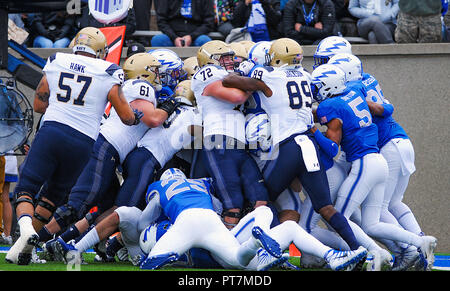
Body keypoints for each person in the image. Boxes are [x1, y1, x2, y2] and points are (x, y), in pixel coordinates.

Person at [5, 27, 140, 265]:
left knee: (27, 188)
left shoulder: (58, 60)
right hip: (83, 142)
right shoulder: (108, 70)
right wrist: (136, 116)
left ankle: (26, 230)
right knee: (53, 195)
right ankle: (26, 250)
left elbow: (38, 104)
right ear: (99, 51)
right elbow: (127, 117)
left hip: (53, 131)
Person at [222, 38, 363, 253]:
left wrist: (243, 70)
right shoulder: (306, 76)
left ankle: (259, 250)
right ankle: (357, 249)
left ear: (277, 57)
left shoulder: (269, 75)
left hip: (287, 148)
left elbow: (230, 81)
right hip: (310, 146)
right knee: (325, 207)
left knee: (261, 199)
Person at [36, 52, 176, 245]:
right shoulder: (141, 86)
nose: (158, 75)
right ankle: (34, 241)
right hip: (105, 148)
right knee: (77, 205)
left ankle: (66, 242)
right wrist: (170, 106)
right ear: (144, 74)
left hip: (106, 150)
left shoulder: (128, 87)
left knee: (107, 206)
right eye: (154, 71)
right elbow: (153, 119)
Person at [311, 63, 438, 271]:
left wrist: (313, 131)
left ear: (328, 86)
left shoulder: (329, 106)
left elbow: (333, 148)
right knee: (372, 224)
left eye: (317, 87)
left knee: (339, 217)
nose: (315, 91)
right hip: (379, 162)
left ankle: (373, 253)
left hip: (363, 164)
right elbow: (385, 108)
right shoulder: (355, 90)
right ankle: (419, 242)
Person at [55, 168, 284, 270]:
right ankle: (80, 248)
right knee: (126, 214)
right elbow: (217, 208)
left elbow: (145, 221)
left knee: (127, 214)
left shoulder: (159, 188)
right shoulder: (199, 185)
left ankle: (80, 248)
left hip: (165, 235)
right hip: (184, 229)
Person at [192, 40, 271, 229]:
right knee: (233, 205)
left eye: (230, 57)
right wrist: (256, 84)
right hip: (218, 140)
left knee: (260, 200)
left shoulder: (228, 76)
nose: (230, 61)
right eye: (224, 58)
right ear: (211, 60)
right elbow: (237, 97)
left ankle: (255, 248)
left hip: (240, 145)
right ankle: (225, 254)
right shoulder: (205, 74)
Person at [0, 153, 17, 245]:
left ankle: (5, 235)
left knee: (4, 197)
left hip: (4, 158)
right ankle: (7, 235)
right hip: (10, 157)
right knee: (5, 197)